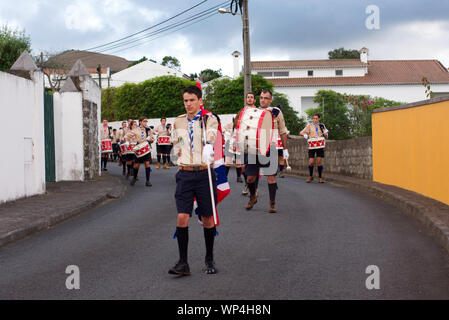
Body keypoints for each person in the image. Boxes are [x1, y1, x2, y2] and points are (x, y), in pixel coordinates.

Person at [168, 85, 219, 276]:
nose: (188, 104)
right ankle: (183, 263)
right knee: (182, 216)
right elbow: (176, 143)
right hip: (185, 174)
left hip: (204, 174)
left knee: (207, 218)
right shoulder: (178, 122)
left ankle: (209, 258)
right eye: (185, 100)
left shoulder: (208, 119)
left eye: (192, 100)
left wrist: (208, 145)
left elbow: (212, 133)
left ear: (199, 101)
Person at [242, 89, 289, 213]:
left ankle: (272, 203)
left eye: (266, 98)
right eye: (261, 97)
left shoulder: (276, 112)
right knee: (250, 178)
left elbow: (283, 131)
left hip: (270, 148)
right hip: (254, 149)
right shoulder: (253, 112)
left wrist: (285, 149)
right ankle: (253, 196)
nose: (263, 100)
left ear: (271, 100)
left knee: (270, 177)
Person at [300, 113, 329, 183]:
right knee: (311, 162)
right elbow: (301, 132)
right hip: (312, 145)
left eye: (316, 118)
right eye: (314, 118)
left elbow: (326, 136)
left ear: (319, 119)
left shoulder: (322, 125)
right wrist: (305, 135)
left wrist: (325, 133)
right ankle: (310, 176)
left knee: (319, 162)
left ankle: (320, 177)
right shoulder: (309, 126)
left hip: (319, 145)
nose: (315, 120)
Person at [124, 118, 154, 186]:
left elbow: (152, 139)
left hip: (146, 147)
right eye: (144, 121)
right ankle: (134, 178)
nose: (146, 122)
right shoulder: (136, 129)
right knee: (136, 165)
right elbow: (127, 135)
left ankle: (148, 181)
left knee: (147, 163)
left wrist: (150, 139)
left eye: (146, 121)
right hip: (139, 147)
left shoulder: (148, 129)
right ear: (140, 122)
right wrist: (127, 141)